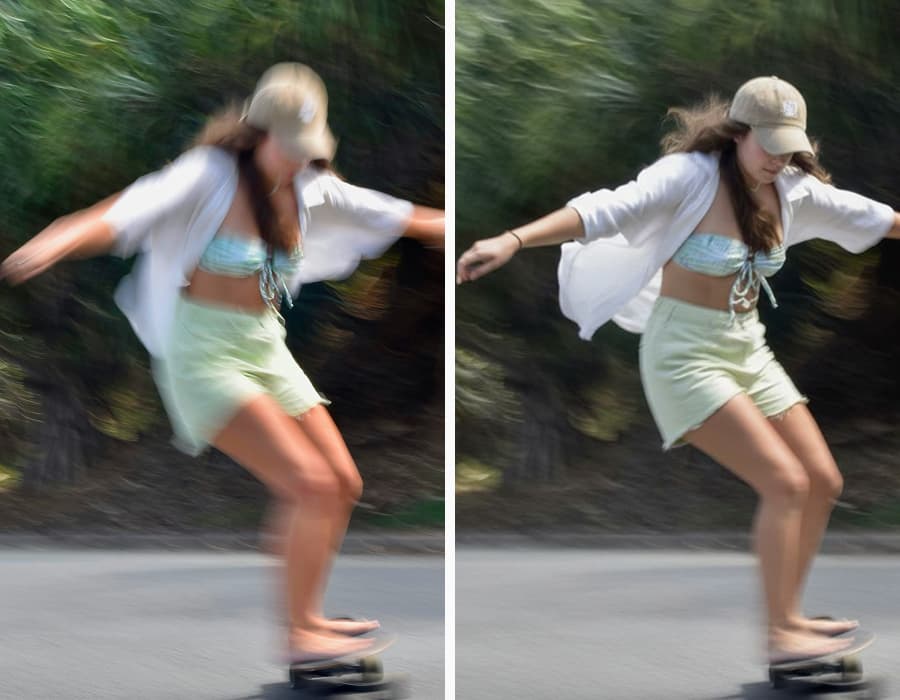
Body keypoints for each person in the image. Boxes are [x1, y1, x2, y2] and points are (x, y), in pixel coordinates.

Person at [1, 62, 444, 663]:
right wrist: (59, 237)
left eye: (304, 150)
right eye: (285, 149)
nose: (294, 161)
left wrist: (457, 230)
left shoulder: (311, 185)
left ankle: (309, 616)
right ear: (257, 134)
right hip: (203, 353)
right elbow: (129, 210)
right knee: (307, 484)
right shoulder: (208, 175)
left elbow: (391, 214)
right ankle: (296, 636)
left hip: (265, 344)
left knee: (342, 483)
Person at [457, 75, 899, 663]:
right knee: (785, 483)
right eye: (766, 143)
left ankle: (790, 615)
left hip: (748, 347)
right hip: (683, 354)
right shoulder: (689, 178)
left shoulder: (793, 190)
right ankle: (778, 637)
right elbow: (602, 211)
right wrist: (513, 240)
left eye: (787, 146)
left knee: (823, 481)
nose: (776, 158)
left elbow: (879, 217)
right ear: (738, 133)